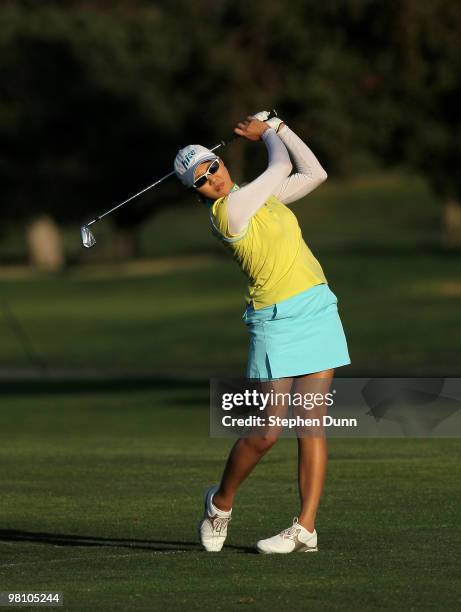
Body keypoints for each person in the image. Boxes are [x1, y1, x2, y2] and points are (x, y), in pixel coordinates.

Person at [173, 112, 351, 554]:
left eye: (212, 166)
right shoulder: (228, 212)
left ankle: (305, 527)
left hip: (317, 309)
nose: (212, 177)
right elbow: (280, 167)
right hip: (275, 322)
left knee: (312, 426)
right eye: (200, 179)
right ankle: (220, 502)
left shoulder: (264, 199)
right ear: (196, 192)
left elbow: (314, 172)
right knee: (267, 432)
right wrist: (268, 133)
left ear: (220, 161)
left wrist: (282, 126)